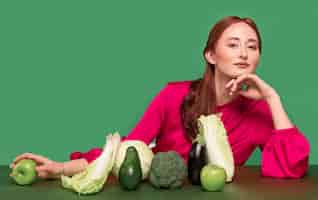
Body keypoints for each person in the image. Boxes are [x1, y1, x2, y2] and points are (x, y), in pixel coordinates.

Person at [10, 16, 310, 179]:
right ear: (211, 55)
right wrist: (59, 168)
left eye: (252, 46)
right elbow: (126, 148)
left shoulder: (257, 111)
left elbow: (291, 168)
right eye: (233, 44)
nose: (244, 53)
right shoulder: (173, 95)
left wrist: (272, 97)